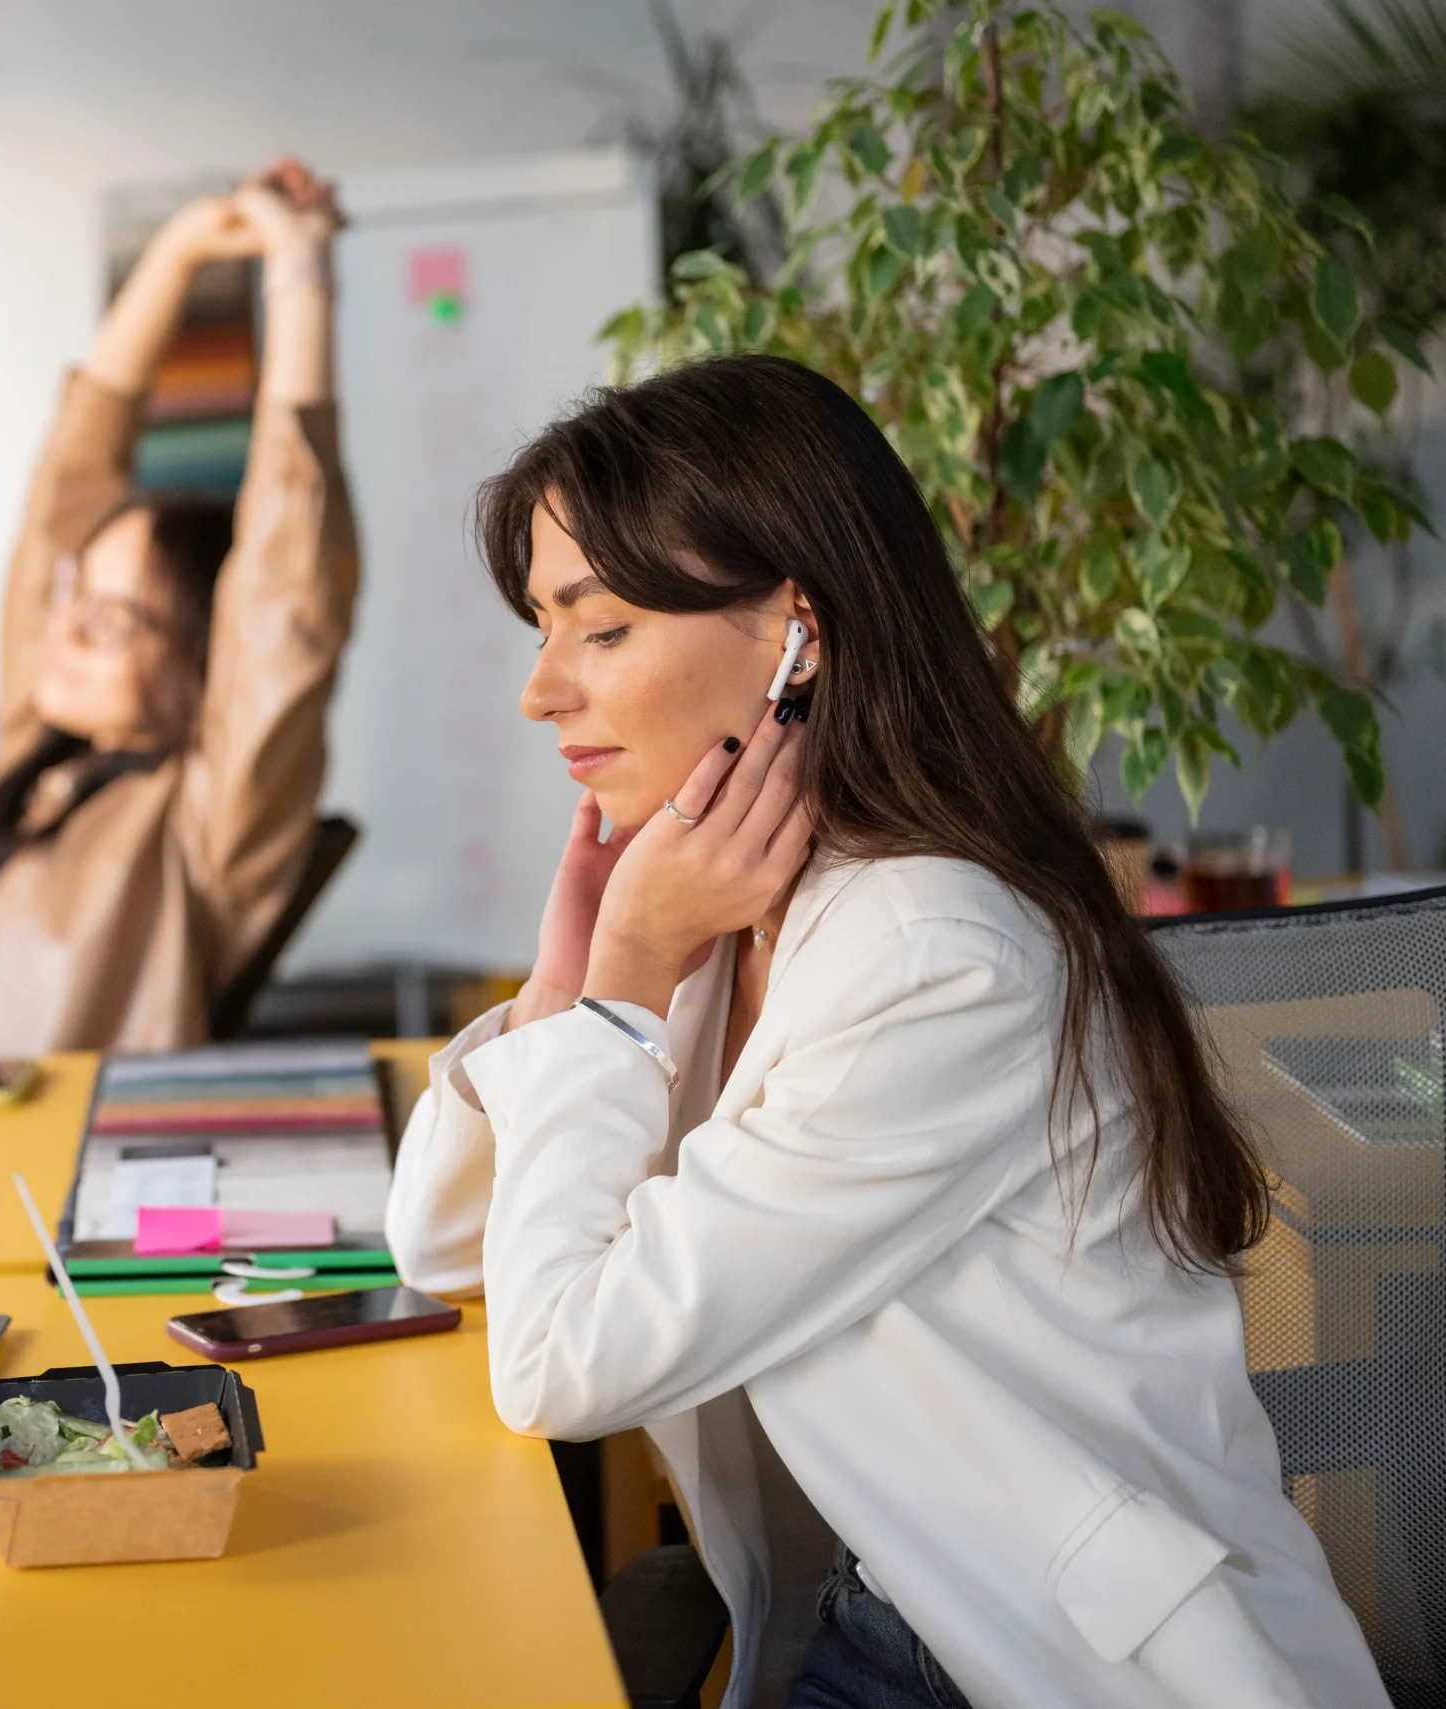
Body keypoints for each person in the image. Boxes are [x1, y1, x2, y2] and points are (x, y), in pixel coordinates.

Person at [384, 355, 1383, 1708]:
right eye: (543, 631)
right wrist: (574, 995)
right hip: (887, 1625)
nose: (541, 691)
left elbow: (561, 1360)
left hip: (1033, 1666)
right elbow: (448, 1247)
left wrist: (623, 976)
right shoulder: (736, 903)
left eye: (599, 628)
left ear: (799, 632)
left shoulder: (928, 956)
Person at [0, 159, 357, 1059]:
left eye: (117, 617)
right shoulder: (47, 746)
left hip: (17, 1149)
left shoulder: (215, 818)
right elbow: (69, 484)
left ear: (209, 652)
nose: (69, 628)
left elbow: (291, 580)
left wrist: (298, 264)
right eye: (74, 595)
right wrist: (175, 256)